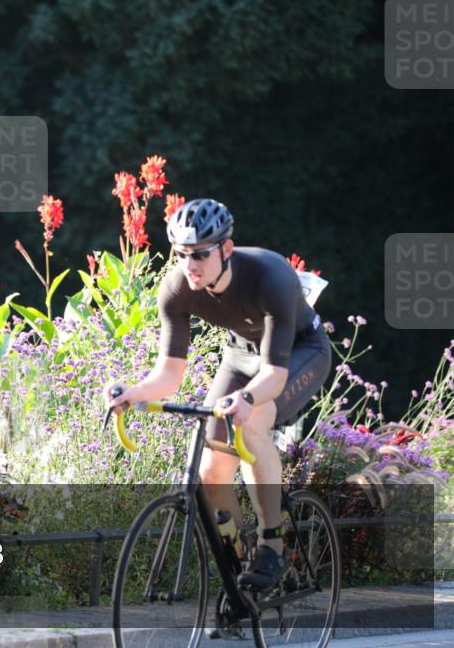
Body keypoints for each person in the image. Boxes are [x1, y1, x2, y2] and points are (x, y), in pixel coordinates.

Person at [103, 198, 331, 595]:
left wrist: (246, 400)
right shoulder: (177, 288)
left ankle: (272, 545)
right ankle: (240, 563)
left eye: (199, 254)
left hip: (299, 354)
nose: (189, 265)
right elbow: (169, 373)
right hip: (240, 356)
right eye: (181, 254)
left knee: (253, 420)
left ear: (226, 249)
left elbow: (274, 375)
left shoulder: (270, 276)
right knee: (211, 470)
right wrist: (133, 392)